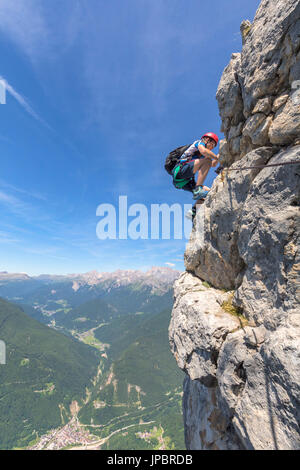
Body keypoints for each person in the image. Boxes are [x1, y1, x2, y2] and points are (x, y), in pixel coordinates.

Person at [172, 132, 219, 219]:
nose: (212, 147)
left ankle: (192, 212)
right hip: (180, 170)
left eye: (214, 146)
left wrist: (220, 156)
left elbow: (212, 165)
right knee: (208, 160)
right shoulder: (199, 143)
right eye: (212, 144)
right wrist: (216, 157)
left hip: (184, 182)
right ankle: (198, 189)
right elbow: (204, 151)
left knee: (208, 193)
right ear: (207, 140)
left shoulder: (203, 157)